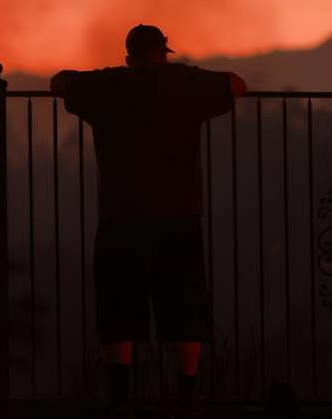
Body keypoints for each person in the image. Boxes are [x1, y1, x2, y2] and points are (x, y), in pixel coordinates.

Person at [50, 25, 247, 419]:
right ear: (163, 53)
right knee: (185, 307)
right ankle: (185, 400)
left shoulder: (108, 86)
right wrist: (183, 76)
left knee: (119, 306)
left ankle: (122, 402)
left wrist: (114, 78)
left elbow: (60, 83)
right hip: (179, 213)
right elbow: (237, 85)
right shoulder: (186, 84)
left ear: (129, 58)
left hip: (121, 214)